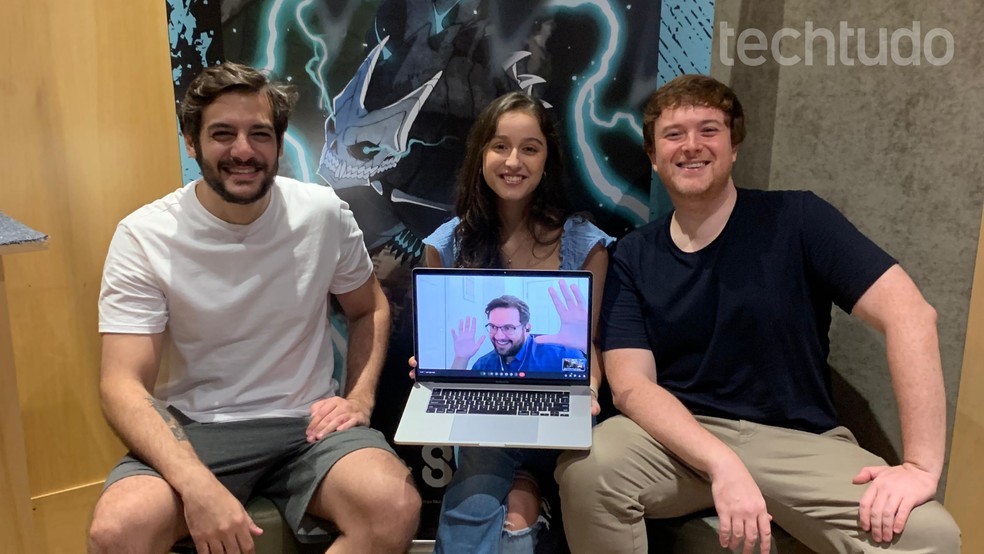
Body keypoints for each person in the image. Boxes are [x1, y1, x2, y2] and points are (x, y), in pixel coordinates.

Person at [555, 74, 961, 554]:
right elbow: (631, 385)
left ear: (734, 147)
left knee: (930, 535)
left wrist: (919, 468)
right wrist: (721, 462)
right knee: (587, 468)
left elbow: (911, 314)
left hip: (798, 442)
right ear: (653, 156)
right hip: (677, 441)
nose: (691, 146)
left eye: (709, 130)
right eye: (673, 134)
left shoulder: (799, 219)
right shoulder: (632, 255)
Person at [87, 62, 421, 554]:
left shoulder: (323, 214)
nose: (242, 150)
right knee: (117, 532)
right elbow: (121, 383)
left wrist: (359, 400)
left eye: (259, 134)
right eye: (223, 133)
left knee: (394, 505)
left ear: (279, 144)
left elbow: (369, 307)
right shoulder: (143, 236)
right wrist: (195, 484)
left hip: (307, 426)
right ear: (191, 141)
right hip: (194, 430)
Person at [416, 91, 614, 553]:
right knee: (488, 506)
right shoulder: (445, 244)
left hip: (561, 417)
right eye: (500, 145)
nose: (513, 161)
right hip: (483, 420)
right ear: (480, 154)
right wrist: (440, 365)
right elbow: (446, 354)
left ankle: (528, 497)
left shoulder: (585, 245)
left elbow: (592, 345)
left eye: (530, 147)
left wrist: (586, 382)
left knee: (509, 509)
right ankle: (525, 506)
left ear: (548, 159)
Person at [451, 294, 587, 372]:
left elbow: (583, 376)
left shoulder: (560, 355)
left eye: (508, 328)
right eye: (493, 327)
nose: (498, 336)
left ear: (527, 328)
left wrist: (585, 347)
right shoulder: (484, 365)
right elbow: (455, 395)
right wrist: (461, 358)